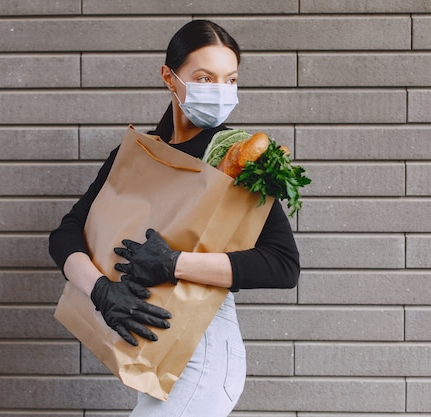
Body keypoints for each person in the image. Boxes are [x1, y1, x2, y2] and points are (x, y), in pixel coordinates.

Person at [49, 19, 300, 417]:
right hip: (151, 350)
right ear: (169, 77)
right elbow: (65, 236)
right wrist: (100, 290)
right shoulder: (137, 154)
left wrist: (174, 264)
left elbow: (282, 266)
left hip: (201, 352)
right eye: (205, 78)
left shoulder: (240, 159)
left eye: (230, 80)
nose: (220, 91)